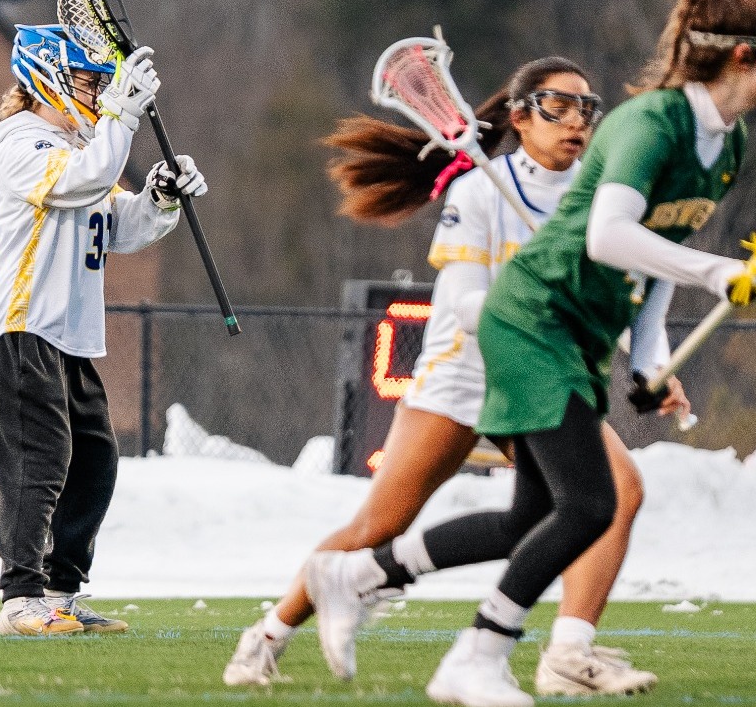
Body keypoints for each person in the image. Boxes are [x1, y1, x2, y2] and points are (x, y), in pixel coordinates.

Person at [306, 0, 756, 707]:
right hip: (531, 322)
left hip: (578, 336)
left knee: (527, 519)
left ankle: (361, 573)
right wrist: (718, 271)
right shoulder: (652, 123)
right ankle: (478, 654)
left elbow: (653, 267)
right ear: (743, 55)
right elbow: (609, 233)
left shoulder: (727, 147)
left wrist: (651, 362)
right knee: (594, 502)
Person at [224, 58, 665, 695]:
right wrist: (534, 311)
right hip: (463, 374)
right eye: (556, 107)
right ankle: (268, 636)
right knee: (379, 527)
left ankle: (569, 653)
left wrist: (647, 361)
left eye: (585, 109)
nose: (575, 122)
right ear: (518, 118)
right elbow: (463, 303)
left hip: (539, 378)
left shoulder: (595, 202)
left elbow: (621, 291)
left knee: (615, 494)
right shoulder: (480, 190)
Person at [0, 25, 201, 636]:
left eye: (101, 83)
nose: (98, 92)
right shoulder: (21, 142)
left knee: (94, 463)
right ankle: (20, 600)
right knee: (39, 461)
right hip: (16, 328)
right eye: (88, 80)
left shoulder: (78, 146)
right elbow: (83, 180)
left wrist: (162, 196)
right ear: (45, 77)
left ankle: (61, 595)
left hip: (66, 337)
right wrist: (122, 118)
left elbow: (122, 226)